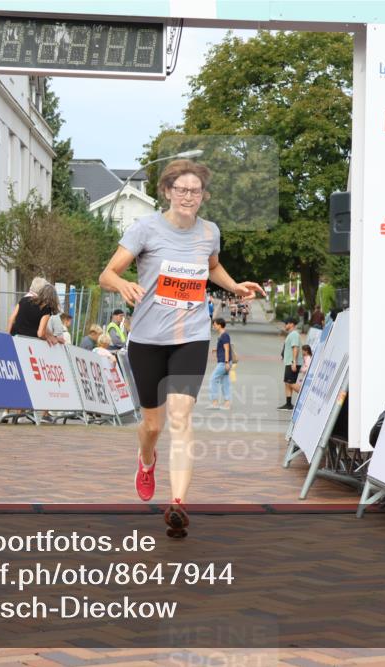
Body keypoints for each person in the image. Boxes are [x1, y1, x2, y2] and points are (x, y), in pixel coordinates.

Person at [99, 158, 265, 538]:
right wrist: (121, 284)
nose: (188, 196)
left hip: (191, 336)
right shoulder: (144, 229)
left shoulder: (209, 232)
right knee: (153, 426)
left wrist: (234, 286)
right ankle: (146, 460)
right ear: (167, 192)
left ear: (203, 196)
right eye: (181, 190)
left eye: (195, 191)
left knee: (180, 416)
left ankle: (177, 504)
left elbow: (211, 268)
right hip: (147, 340)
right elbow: (107, 273)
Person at [208, 317, 232, 410]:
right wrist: (216, 349)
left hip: (223, 362)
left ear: (219, 325)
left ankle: (214, 403)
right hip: (224, 362)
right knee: (225, 382)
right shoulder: (222, 335)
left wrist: (226, 362)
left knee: (213, 380)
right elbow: (224, 347)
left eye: (214, 324)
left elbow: (227, 349)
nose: (213, 326)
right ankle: (227, 403)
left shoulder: (224, 335)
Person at [278, 317, 301, 410]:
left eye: (287, 323)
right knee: (287, 383)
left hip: (292, 362)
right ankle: (288, 404)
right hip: (289, 362)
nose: (285, 325)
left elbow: (295, 347)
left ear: (291, 324)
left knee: (290, 382)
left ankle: (306, 396)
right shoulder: (291, 334)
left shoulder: (294, 334)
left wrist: (294, 362)